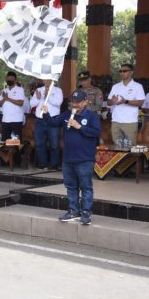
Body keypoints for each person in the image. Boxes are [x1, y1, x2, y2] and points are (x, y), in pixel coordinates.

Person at [42, 90, 101, 225]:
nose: (75, 105)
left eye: (78, 102)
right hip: (68, 159)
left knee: (86, 187)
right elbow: (53, 122)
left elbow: (96, 132)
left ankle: (85, 212)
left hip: (85, 159)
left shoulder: (92, 116)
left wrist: (79, 127)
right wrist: (46, 113)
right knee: (71, 187)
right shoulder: (67, 114)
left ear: (85, 102)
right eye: (73, 102)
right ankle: (73, 211)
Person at [107, 64, 146, 143]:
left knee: (130, 149)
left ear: (131, 72)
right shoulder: (116, 86)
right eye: (120, 71)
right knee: (117, 148)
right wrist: (113, 101)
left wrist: (125, 101)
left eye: (125, 71)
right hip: (116, 121)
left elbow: (141, 103)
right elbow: (108, 102)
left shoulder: (137, 86)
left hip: (130, 122)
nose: (122, 73)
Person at [30, 80, 64, 170]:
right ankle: (43, 163)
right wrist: (37, 98)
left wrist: (47, 96)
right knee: (40, 143)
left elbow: (58, 103)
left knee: (54, 144)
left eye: (48, 79)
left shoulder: (58, 90)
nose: (46, 81)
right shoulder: (39, 90)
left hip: (53, 119)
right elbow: (31, 104)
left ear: (52, 80)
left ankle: (54, 164)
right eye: (44, 79)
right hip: (40, 120)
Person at [0, 71, 25, 140]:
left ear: (15, 80)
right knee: (5, 142)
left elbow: (21, 103)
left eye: (11, 79)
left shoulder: (20, 89)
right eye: (8, 79)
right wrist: (4, 99)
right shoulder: (4, 90)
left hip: (16, 120)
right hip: (5, 120)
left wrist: (8, 98)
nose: (9, 80)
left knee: (16, 143)